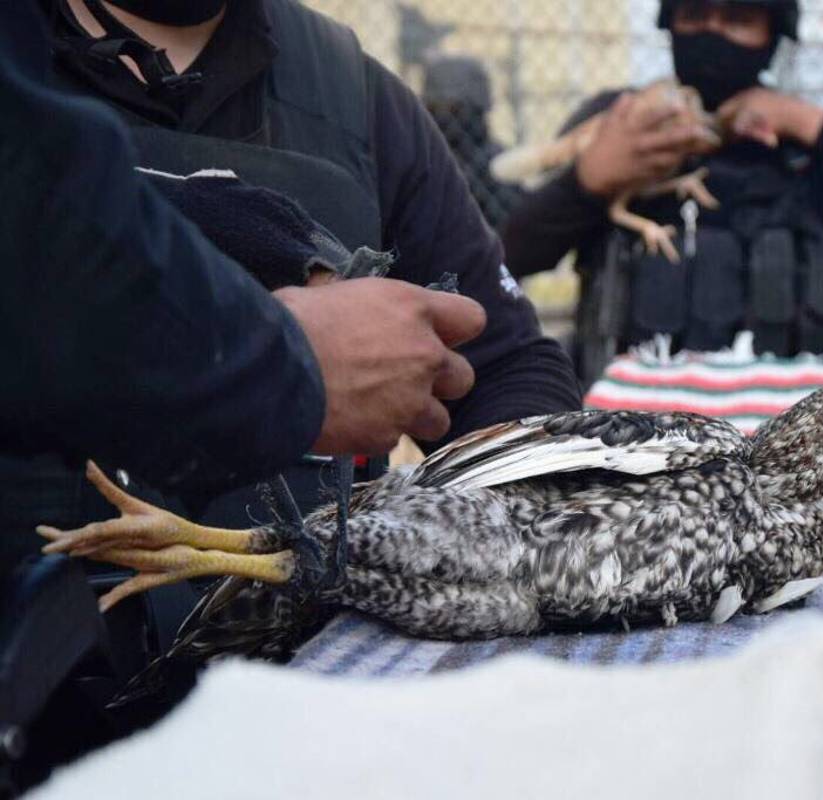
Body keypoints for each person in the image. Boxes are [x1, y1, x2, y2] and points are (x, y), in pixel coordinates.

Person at [30, 0, 582, 529]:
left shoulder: (352, 92)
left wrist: (521, 532)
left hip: (314, 611)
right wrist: (280, 362)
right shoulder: (21, 69)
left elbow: (503, 365)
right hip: (50, 602)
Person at [501, 0, 823, 383]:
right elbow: (507, 255)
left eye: (738, 20)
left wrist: (800, 119)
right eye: (695, 15)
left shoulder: (800, 149)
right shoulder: (622, 121)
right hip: (629, 426)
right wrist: (588, 182)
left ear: (773, 35)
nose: (712, 35)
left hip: (784, 422)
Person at [422, 54, 528, 231]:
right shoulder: (420, 162)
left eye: (454, 108)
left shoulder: (499, 162)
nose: (443, 116)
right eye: (434, 108)